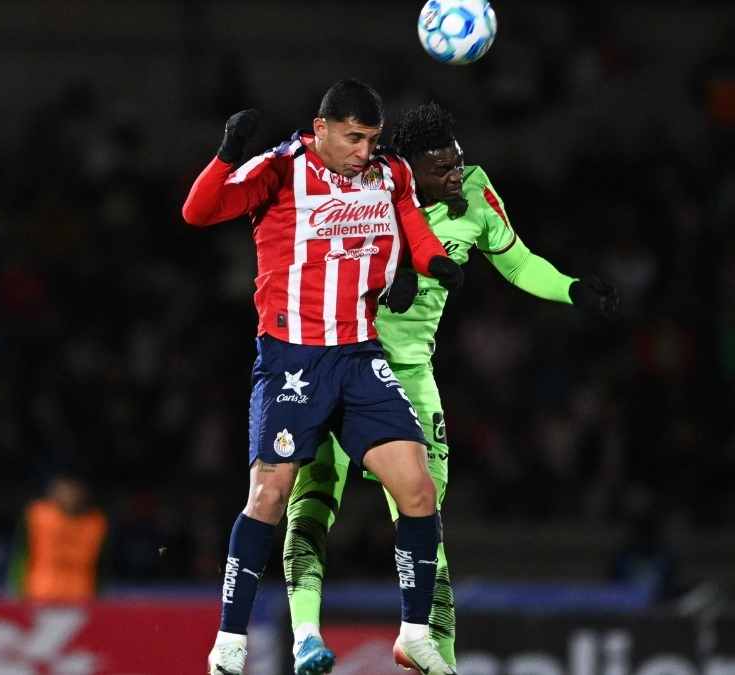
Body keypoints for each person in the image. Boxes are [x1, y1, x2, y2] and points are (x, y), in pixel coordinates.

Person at [282, 102, 620, 673]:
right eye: (441, 169)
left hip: (410, 375)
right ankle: (305, 637)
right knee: (312, 498)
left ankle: (436, 656)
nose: (456, 174)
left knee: (423, 516)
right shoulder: (368, 184)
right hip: (340, 360)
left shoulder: (476, 193)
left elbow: (518, 263)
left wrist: (572, 290)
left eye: (457, 161)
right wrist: (384, 275)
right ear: (409, 169)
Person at [182, 79, 465, 675]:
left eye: (373, 139)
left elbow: (411, 223)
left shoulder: (391, 173)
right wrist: (226, 155)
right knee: (270, 495)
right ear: (321, 128)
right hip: (293, 359)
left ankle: (416, 634)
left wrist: (433, 260)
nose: (365, 151)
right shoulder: (279, 169)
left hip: (360, 356)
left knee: (418, 490)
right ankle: (229, 641)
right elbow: (198, 211)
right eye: (354, 138)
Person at [6, 472, 109, 602]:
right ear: (53, 492)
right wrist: (16, 590)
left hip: (82, 596)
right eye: (65, 490)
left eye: (74, 490)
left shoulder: (96, 523)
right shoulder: (37, 516)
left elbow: (102, 565)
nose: (70, 495)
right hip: (39, 594)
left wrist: (100, 596)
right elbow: (21, 554)